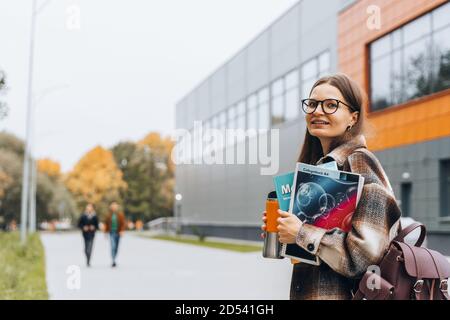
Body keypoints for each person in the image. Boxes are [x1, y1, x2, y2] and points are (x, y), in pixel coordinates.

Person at [261, 73, 402, 300]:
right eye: (313, 104)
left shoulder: (360, 162)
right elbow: (319, 252)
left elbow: (365, 255)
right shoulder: (319, 169)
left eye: (330, 105)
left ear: (353, 118)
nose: (317, 111)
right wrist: (285, 233)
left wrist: (300, 232)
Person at [104, 201, 126, 267]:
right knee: (113, 246)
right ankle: (113, 260)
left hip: (118, 232)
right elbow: (106, 224)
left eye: (115, 206)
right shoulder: (108, 215)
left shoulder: (120, 215)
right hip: (111, 232)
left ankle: (115, 257)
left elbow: (123, 224)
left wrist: (122, 231)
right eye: (113, 206)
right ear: (111, 207)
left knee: (116, 247)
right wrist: (105, 232)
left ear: (117, 207)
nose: (114, 207)